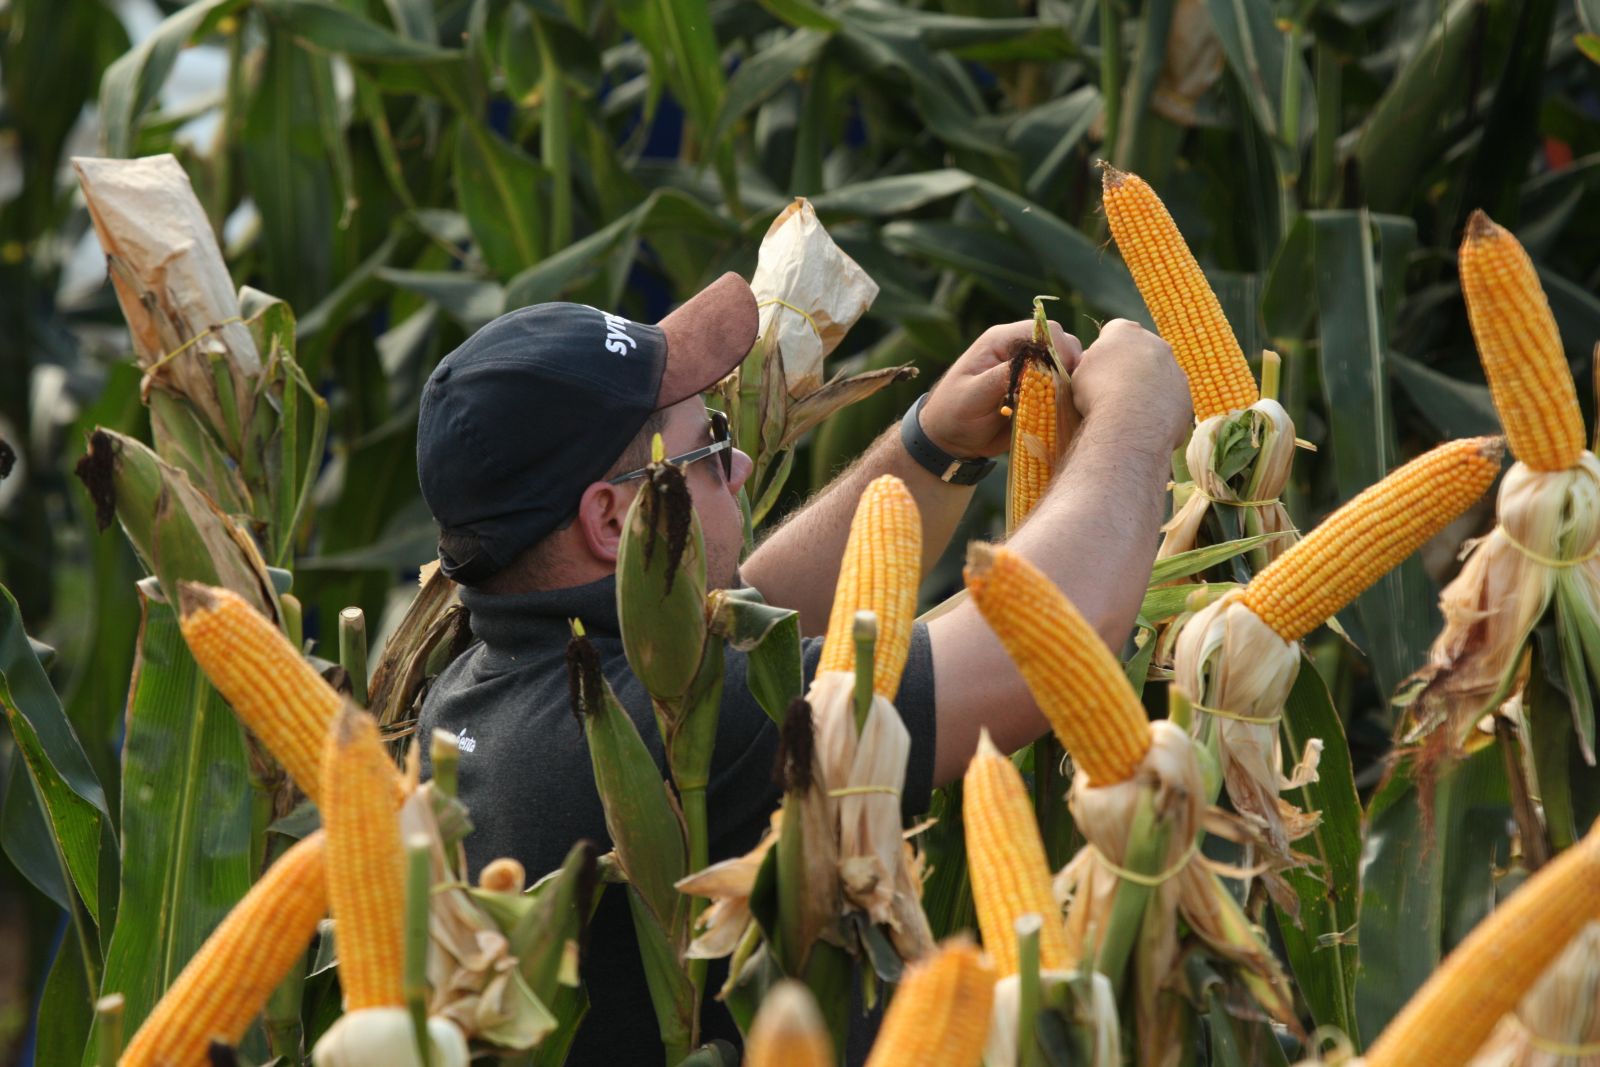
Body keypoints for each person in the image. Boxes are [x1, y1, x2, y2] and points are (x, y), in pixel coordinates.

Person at [413, 272, 1191, 1064]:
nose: (744, 462)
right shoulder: (657, 738)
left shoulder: (480, 687)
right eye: (711, 444)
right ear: (614, 519)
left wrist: (934, 447)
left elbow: (751, 618)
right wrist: (1138, 415)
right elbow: (1053, 644)